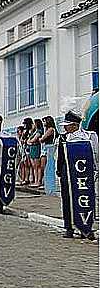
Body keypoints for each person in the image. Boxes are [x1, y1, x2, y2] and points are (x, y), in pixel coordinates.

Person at [55, 99, 98, 239]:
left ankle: (86, 227)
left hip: (84, 174)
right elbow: (59, 157)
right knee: (67, 199)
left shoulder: (89, 137)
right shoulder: (63, 138)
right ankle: (69, 227)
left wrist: (95, 171)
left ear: (74, 125)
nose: (65, 128)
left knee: (86, 199)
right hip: (67, 173)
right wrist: (59, 172)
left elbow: (95, 155)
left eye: (67, 125)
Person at [27, 119, 44, 189]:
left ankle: (38, 181)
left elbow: (34, 140)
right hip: (32, 148)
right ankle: (35, 180)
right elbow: (28, 140)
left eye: (34, 123)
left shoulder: (39, 131)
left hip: (36, 148)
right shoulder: (33, 132)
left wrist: (30, 141)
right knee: (34, 166)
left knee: (37, 166)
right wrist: (30, 141)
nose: (33, 125)